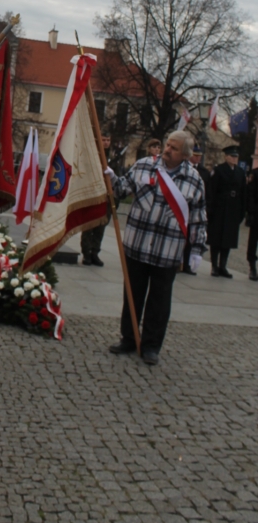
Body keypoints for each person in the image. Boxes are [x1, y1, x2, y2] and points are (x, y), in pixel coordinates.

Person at [107, 130, 207, 365]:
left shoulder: (194, 180)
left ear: (185, 155)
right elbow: (121, 189)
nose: (167, 150)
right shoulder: (144, 165)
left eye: (173, 148)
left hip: (167, 250)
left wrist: (197, 249)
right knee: (133, 295)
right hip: (137, 245)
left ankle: (151, 345)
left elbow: (198, 217)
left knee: (159, 302)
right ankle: (129, 338)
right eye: (167, 144)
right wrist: (111, 177)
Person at [207, 145, 246, 278]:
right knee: (216, 238)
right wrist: (210, 209)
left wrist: (242, 211)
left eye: (236, 157)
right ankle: (214, 266)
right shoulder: (219, 170)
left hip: (233, 209)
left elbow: (243, 192)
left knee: (228, 239)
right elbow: (212, 190)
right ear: (226, 157)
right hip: (220, 208)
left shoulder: (240, 172)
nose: (234, 159)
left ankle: (223, 266)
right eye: (232, 156)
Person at [81, 131, 114, 267]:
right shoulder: (93, 155)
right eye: (103, 139)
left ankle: (95, 252)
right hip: (93, 196)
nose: (106, 142)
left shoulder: (113, 157)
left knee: (100, 228)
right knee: (89, 227)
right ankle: (86, 253)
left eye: (108, 140)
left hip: (106, 198)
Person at [181, 144, 211, 274]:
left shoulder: (204, 172)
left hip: (195, 209)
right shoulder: (183, 169)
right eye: (195, 155)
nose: (198, 158)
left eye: (199, 156)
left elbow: (208, 192)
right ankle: (179, 262)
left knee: (190, 237)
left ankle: (187, 263)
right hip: (183, 207)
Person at [245, 168, 258, 281]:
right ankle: (252, 267)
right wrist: (251, 212)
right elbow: (250, 194)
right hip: (257, 213)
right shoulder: (255, 173)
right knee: (253, 241)